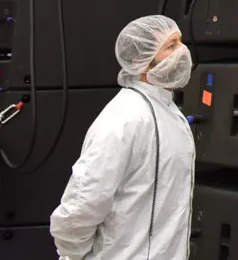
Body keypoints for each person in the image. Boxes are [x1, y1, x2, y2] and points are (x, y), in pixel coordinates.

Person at [50, 15, 196, 260]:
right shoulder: (124, 118)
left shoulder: (169, 112)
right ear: (141, 61)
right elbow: (81, 206)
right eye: (171, 46)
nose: (182, 52)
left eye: (181, 42)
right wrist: (73, 256)